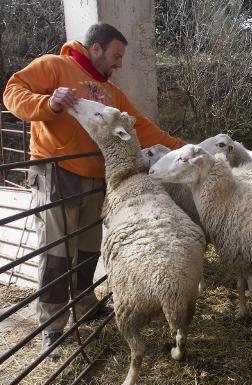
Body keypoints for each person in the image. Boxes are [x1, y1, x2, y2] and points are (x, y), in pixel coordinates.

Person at [2, 22, 185, 359]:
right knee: (57, 250)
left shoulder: (111, 92)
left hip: (96, 175)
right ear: (96, 48)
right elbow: (13, 90)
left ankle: (84, 304)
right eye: (116, 56)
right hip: (57, 169)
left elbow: (140, 127)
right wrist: (49, 102)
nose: (119, 64)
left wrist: (185, 148)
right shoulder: (55, 66)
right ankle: (54, 326)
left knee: (88, 246)